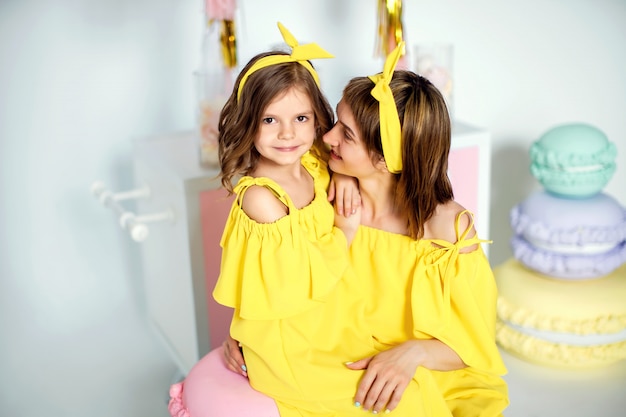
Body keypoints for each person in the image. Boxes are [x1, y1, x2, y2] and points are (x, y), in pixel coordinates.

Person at [222, 42, 510, 416]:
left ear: (387, 158)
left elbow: (474, 340)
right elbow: (277, 275)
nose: (327, 139)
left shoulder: (448, 231)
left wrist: (414, 352)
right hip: (329, 353)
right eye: (335, 123)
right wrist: (241, 332)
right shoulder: (318, 184)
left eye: (346, 134)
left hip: (424, 368)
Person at [208, 23, 428, 417]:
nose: (288, 134)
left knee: (416, 388)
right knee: (378, 403)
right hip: (290, 340)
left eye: (302, 119)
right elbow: (292, 281)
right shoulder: (262, 198)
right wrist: (344, 230)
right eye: (270, 120)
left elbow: (334, 156)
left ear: (317, 119)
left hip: (333, 318)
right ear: (248, 120)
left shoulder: (312, 162)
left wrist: (342, 175)